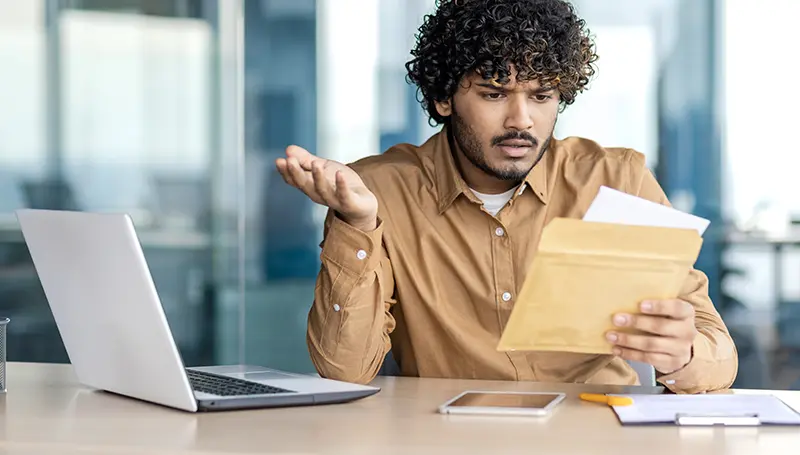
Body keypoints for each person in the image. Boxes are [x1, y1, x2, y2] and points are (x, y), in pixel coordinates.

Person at [275, 0, 738, 394]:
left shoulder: (618, 180)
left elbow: (719, 353)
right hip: (445, 436)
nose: (522, 120)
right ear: (443, 98)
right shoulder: (377, 192)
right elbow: (344, 371)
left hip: (593, 431)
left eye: (541, 95)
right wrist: (356, 224)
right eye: (495, 94)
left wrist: (682, 355)